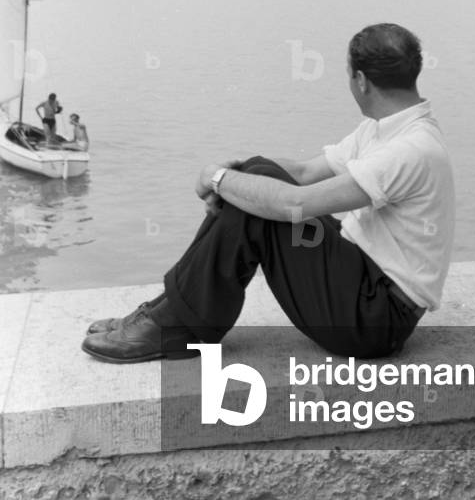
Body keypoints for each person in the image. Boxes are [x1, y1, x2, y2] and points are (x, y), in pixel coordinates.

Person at [81, 22, 455, 363]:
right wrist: (235, 172)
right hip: (364, 284)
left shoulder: (410, 150)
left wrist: (216, 179)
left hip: (375, 319)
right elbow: (305, 172)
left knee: (260, 208)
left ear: (360, 80)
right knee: (257, 174)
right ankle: (172, 311)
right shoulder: (384, 128)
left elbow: (296, 203)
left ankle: (175, 324)